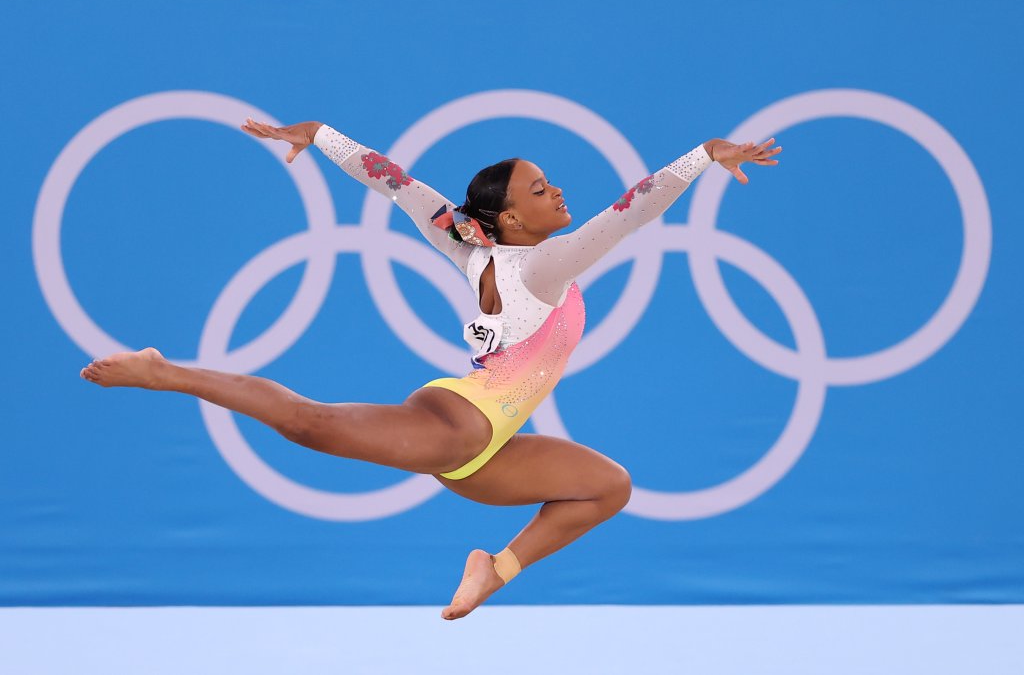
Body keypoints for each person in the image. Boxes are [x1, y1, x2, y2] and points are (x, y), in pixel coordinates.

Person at [80, 115, 780, 619]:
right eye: (539, 190)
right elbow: (631, 212)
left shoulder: (474, 248)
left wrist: (321, 135)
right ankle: (164, 371)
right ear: (507, 217)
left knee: (607, 487)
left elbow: (395, 182)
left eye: (550, 184)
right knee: (307, 425)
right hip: (459, 423)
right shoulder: (543, 266)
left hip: (490, 449)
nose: (557, 194)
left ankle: (492, 570)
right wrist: (701, 157)